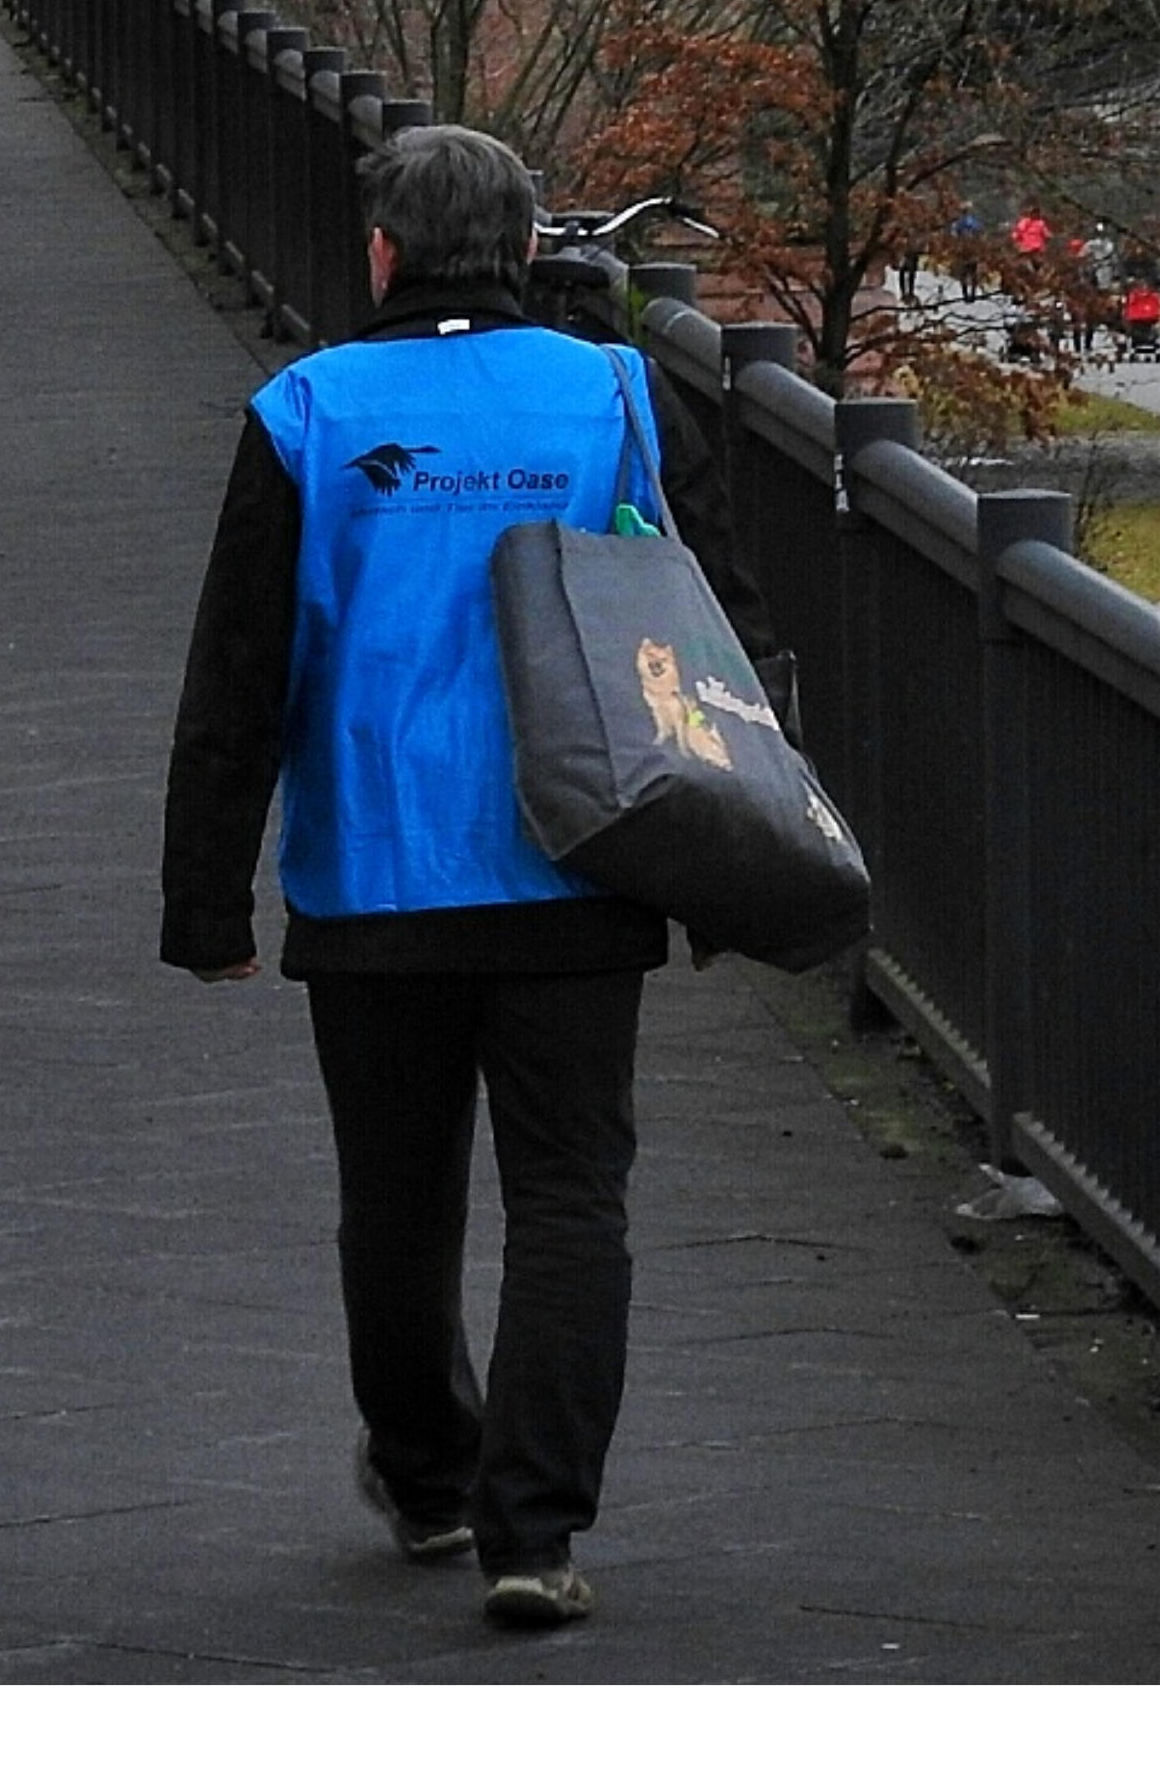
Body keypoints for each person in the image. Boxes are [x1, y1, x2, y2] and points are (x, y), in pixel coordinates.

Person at [158, 126, 777, 1635]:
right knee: (571, 1195)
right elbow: (725, 624)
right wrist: (733, 866)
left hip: (375, 871)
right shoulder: (615, 395)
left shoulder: (309, 410)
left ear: (381, 251)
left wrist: (206, 898)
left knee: (396, 1196)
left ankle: (430, 1474)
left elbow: (241, 663)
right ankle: (535, 1527)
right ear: (526, 247)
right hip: (583, 857)